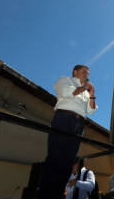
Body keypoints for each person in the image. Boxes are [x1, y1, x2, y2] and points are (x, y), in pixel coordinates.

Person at [38, 64, 98, 199]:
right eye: (84, 72)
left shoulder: (86, 92)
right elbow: (66, 93)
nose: (86, 75)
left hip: (79, 124)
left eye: (88, 73)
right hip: (64, 118)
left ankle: (58, 193)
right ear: (75, 72)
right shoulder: (65, 80)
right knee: (55, 157)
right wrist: (84, 88)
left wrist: (92, 94)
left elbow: (92, 111)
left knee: (68, 161)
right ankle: (45, 195)